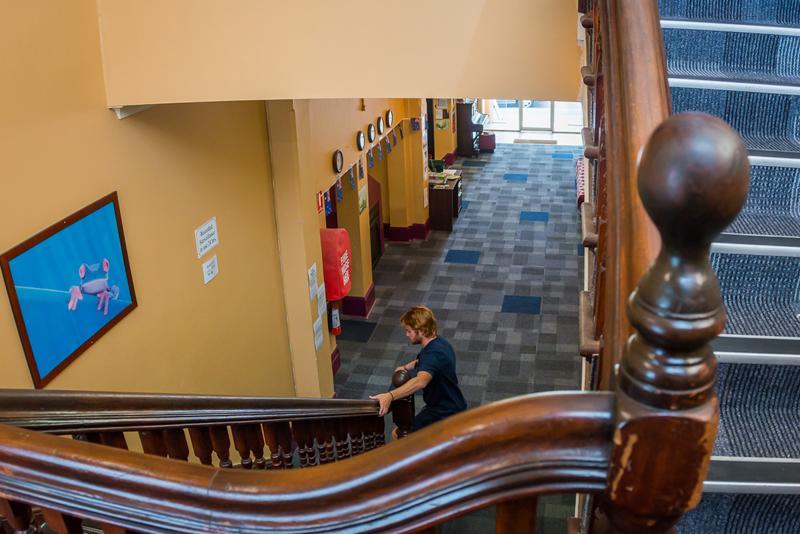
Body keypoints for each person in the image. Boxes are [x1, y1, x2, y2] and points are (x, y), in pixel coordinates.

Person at [370, 306, 467, 433]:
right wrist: (406, 367)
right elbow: (422, 361)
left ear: (421, 331)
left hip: (445, 411)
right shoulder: (439, 342)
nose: (406, 334)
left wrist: (389, 396)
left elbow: (420, 381)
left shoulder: (432, 355)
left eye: (409, 331)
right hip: (450, 403)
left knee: (399, 435)